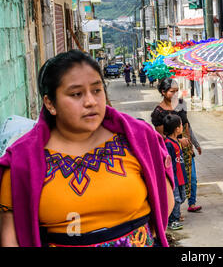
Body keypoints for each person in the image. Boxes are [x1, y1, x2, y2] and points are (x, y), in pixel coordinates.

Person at [0, 50, 174, 247]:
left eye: (97, 90)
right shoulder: (22, 161)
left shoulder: (139, 139)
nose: (91, 101)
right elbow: (11, 237)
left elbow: (165, 199)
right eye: (76, 94)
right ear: (50, 103)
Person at [151, 78, 202, 213]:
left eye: (176, 91)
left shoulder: (180, 104)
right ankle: (174, 210)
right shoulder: (158, 112)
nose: (175, 94)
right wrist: (179, 141)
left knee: (192, 178)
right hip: (171, 151)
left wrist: (195, 144)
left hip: (186, 148)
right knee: (175, 179)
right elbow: (162, 136)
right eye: (171, 91)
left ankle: (192, 203)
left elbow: (186, 125)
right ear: (163, 92)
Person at [164, 114, 187, 231]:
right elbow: (169, 164)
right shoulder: (168, 144)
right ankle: (173, 220)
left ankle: (174, 216)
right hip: (174, 178)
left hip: (180, 176)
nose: (182, 127)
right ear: (177, 129)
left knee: (182, 198)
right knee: (176, 199)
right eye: (181, 125)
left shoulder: (175, 142)